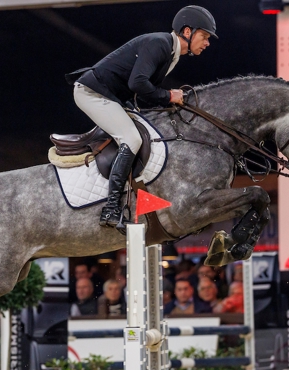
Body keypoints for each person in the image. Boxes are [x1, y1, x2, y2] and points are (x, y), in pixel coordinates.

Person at [66, 5, 217, 229]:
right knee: (132, 139)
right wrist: (168, 96)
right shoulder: (160, 44)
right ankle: (111, 209)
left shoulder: (172, 53)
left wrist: (168, 100)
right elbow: (137, 83)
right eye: (204, 36)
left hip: (113, 96)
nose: (207, 43)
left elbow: (144, 90)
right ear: (187, 31)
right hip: (93, 93)